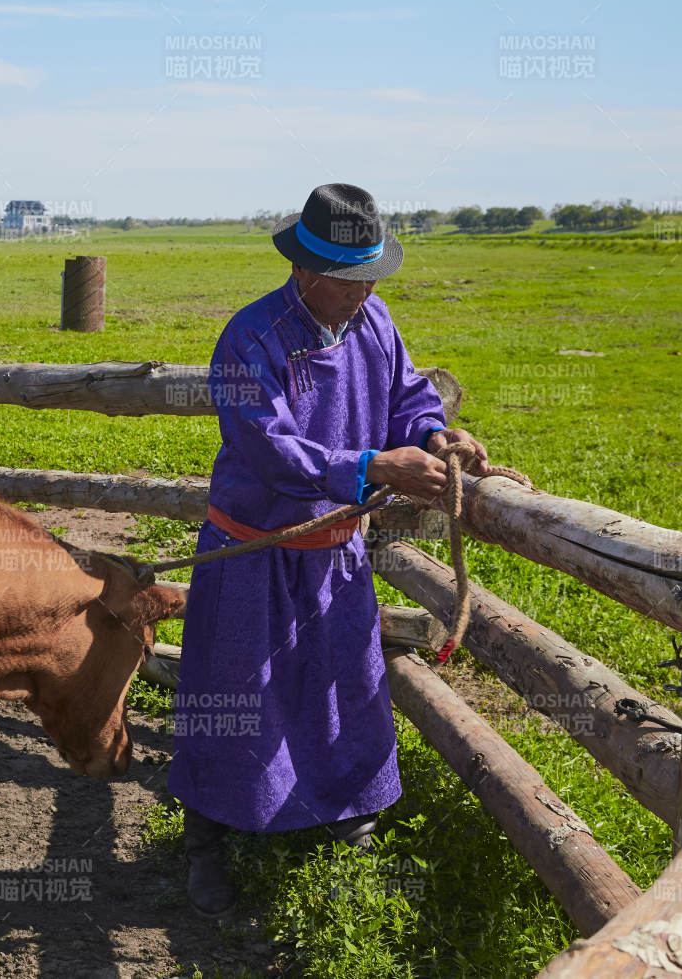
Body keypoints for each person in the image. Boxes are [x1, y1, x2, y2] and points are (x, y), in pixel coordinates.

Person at [168, 182, 491, 923]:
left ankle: (347, 817)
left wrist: (434, 433)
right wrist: (375, 466)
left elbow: (408, 395)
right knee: (234, 698)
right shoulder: (250, 338)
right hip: (254, 551)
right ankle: (206, 838)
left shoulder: (373, 319)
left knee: (342, 687)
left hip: (336, 550)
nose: (365, 290)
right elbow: (270, 448)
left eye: (371, 276)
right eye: (351, 279)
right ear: (305, 269)